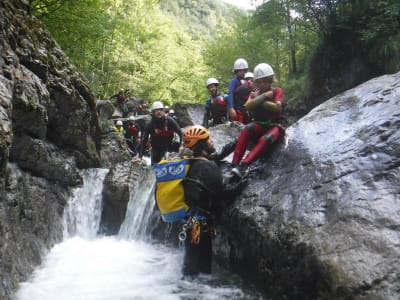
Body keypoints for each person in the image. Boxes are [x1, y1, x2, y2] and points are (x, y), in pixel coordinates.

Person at [180, 125, 246, 276]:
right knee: (198, 271)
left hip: (192, 223)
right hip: (201, 227)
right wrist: (243, 183)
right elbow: (222, 194)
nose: (212, 141)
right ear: (201, 144)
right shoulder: (208, 167)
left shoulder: (194, 162)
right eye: (208, 139)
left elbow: (218, 155)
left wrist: (238, 140)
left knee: (191, 271)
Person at [231, 63, 286, 178]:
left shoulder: (277, 91)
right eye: (260, 81)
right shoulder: (255, 93)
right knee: (247, 128)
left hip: (275, 126)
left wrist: (259, 100)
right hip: (259, 125)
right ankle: (234, 164)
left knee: (266, 138)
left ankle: (243, 166)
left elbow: (277, 108)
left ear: (270, 80)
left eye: (265, 81)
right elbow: (247, 107)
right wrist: (264, 96)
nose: (262, 84)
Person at [138, 101, 183, 165]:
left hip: (169, 148)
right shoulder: (150, 125)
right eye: (156, 110)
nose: (159, 112)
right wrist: (140, 157)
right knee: (155, 168)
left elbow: (180, 133)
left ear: (163, 111)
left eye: (161, 110)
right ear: (153, 112)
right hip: (156, 149)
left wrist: (181, 146)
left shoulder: (170, 121)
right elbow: (144, 141)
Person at [227, 58, 253, 124]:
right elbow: (230, 95)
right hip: (237, 110)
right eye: (240, 70)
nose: (242, 72)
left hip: (248, 110)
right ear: (236, 71)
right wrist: (231, 108)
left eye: (244, 70)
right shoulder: (233, 82)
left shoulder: (249, 81)